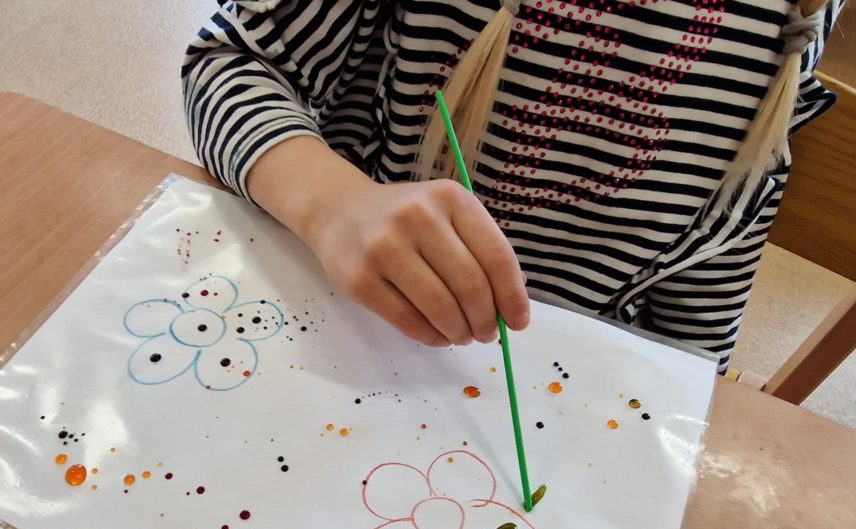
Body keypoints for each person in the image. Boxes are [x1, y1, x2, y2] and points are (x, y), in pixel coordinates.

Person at [182, 0, 844, 370]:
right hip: (336, 326)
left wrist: (694, 381)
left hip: (568, 385)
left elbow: (727, 226)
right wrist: (334, 205)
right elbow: (228, 63)